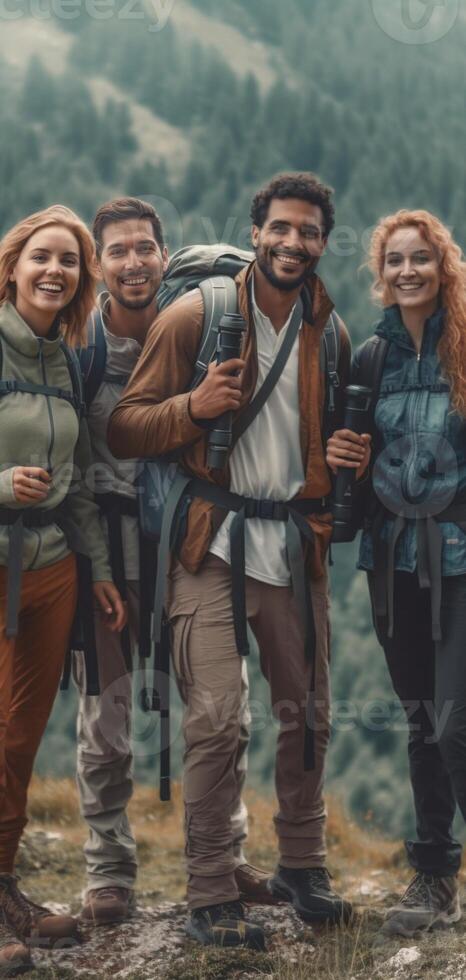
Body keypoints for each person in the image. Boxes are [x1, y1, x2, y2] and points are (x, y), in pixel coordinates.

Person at [109, 173, 365, 950]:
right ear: (256, 233)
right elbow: (125, 427)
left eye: (309, 232)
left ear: (323, 242)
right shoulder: (198, 314)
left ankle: (301, 866)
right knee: (218, 719)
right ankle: (212, 889)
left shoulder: (334, 331)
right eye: (280, 228)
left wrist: (347, 455)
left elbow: (328, 442)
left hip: (292, 542)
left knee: (307, 714)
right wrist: (196, 408)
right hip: (208, 543)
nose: (294, 243)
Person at [76, 197, 271, 926]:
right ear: (100, 264)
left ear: (164, 255)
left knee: (221, 701)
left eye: (144, 249)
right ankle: (108, 870)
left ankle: (229, 853)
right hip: (104, 547)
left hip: (187, 539)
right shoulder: (82, 345)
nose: (133, 262)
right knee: (106, 711)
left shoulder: (188, 328)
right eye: (118, 250)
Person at [327, 209, 466, 938]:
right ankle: (437, 876)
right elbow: (351, 453)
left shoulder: (465, 348)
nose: (408, 271)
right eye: (395, 261)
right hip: (390, 562)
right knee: (421, 721)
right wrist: (340, 457)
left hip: (461, 558)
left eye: (421, 259)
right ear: (380, 273)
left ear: (443, 265)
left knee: (454, 723)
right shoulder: (370, 359)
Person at [0, 205, 126, 976]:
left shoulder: (71, 358)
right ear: (12, 265)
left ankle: (5, 887)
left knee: (17, 738)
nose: (55, 271)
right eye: (42, 257)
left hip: (50, 573)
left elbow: (77, 487)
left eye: (70, 262)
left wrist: (102, 571)